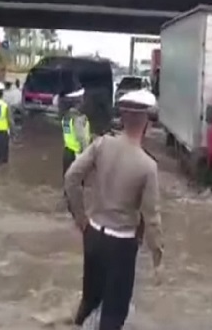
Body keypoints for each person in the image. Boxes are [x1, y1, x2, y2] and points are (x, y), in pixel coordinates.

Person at [65, 89, 163, 329]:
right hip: (121, 245)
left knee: (89, 300)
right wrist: (158, 255)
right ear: (147, 125)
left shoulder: (101, 145)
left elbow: (71, 178)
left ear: (122, 118)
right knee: (113, 313)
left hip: (93, 235)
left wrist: (81, 218)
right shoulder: (147, 166)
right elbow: (152, 218)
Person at [61, 88, 91, 177]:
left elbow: (67, 133)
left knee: (67, 178)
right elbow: (81, 137)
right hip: (77, 153)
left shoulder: (66, 116)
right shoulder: (78, 118)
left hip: (67, 151)